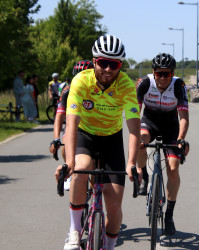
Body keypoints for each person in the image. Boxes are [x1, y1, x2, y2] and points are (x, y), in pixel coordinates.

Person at [54, 35, 141, 250]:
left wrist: (132, 162)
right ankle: (74, 231)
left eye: (115, 64)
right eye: (104, 63)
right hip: (86, 134)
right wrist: (70, 162)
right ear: (94, 61)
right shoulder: (81, 81)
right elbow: (72, 124)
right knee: (81, 169)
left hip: (111, 140)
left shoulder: (126, 86)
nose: (109, 69)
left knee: (114, 202)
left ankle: (110, 246)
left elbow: (134, 129)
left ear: (120, 65)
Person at [135, 52, 190, 236]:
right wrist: (135, 136)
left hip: (170, 126)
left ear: (172, 74)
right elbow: (135, 112)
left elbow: (183, 117)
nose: (163, 78)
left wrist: (181, 139)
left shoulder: (178, 85)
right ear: (154, 72)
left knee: (173, 168)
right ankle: (144, 174)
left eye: (167, 74)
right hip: (149, 121)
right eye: (159, 73)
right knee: (141, 141)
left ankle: (169, 215)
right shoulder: (144, 83)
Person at [49, 60, 94, 191]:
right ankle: (70, 172)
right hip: (74, 125)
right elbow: (60, 114)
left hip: (93, 127)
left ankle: (95, 193)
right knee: (65, 144)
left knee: (97, 169)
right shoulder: (68, 90)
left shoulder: (97, 89)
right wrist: (56, 137)